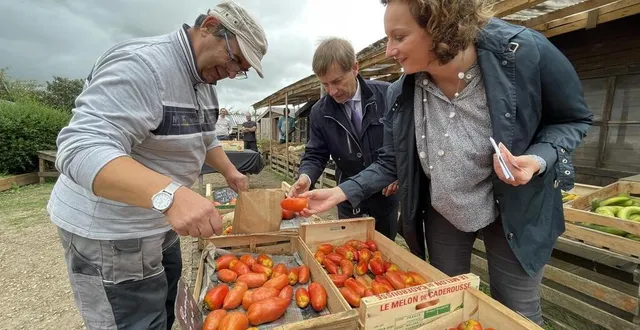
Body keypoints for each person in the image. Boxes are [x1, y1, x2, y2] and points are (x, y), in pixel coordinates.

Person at [297, 0, 593, 326]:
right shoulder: (402, 93)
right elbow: (391, 161)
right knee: (443, 301)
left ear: (441, 26)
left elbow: (572, 119)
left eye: (399, 37)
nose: (389, 51)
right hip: (445, 209)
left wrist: (537, 160)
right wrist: (339, 193)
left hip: (517, 208)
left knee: (516, 312)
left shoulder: (522, 52)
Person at [47, 1, 268, 329]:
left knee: (166, 306)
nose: (234, 72)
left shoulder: (204, 85)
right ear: (208, 26)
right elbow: (80, 147)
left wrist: (229, 171)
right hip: (113, 234)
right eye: (235, 59)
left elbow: (203, 137)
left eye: (243, 69)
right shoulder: (142, 64)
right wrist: (171, 195)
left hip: (158, 223)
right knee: (134, 320)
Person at [289, 37, 400, 239]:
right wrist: (306, 177)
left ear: (355, 68)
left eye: (337, 81)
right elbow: (315, 154)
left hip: (385, 197)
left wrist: (399, 174)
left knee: (384, 254)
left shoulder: (387, 95)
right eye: (325, 84)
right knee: (348, 254)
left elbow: (404, 145)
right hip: (347, 199)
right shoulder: (319, 112)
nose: (332, 91)